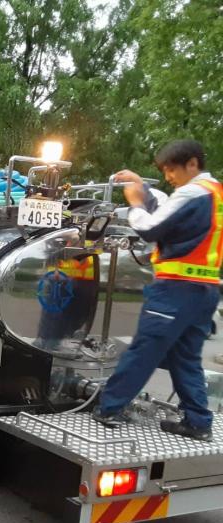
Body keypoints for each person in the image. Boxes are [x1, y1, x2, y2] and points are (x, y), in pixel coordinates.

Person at [92, 140, 222, 441]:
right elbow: (174, 218)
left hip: (175, 289)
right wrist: (142, 187)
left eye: (172, 170)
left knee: (146, 349)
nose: (169, 177)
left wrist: (136, 202)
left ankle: (109, 407)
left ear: (192, 164)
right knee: (185, 356)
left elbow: (151, 228)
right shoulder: (216, 194)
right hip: (206, 289)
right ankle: (198, 422)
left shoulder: (192, 192)